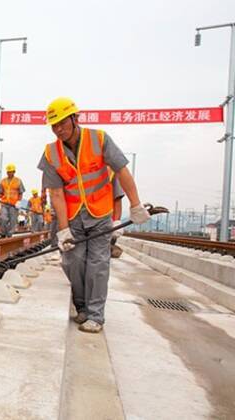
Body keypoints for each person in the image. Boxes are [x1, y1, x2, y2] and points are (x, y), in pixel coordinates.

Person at [37, 97, 150, 333]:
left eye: (62, 123)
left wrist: (136, 205)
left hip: (100, 214)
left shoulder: (99, 139)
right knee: (72, 261)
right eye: (53, 125)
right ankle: (82, 307)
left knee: (98, 264)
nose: (58, 129)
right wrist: (63, 229)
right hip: (72, 216)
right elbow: (56, 194)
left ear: (75, 118)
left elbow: (121, 171)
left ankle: (96, 316)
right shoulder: (51, 153)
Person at [0, 164, 25, 237]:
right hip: (4, 203)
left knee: (13, 220)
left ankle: (10, 234)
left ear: (14, 172)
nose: (9, 173)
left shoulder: (18, 181)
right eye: (8, 172)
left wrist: (19, 201)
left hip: (14, 205)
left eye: (11, 171)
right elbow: (0, 192)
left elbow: (21, 192)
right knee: (3, 218)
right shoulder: (3, 181)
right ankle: (3, 233)